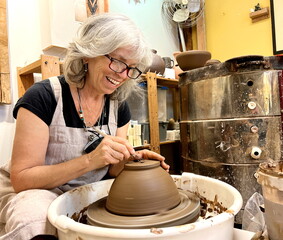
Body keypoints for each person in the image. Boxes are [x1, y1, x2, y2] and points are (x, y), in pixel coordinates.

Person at [0, 13, 169, 240]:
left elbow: (112, 170)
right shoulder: (43, 97)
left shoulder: (119, 107)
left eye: (131, 68)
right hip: (36, 191)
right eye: (117, 61)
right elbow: (23, 179)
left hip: (85, 192)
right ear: (88, 53)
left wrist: (129, 160)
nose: (122, 74)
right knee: (36, 219)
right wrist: (90, 160)